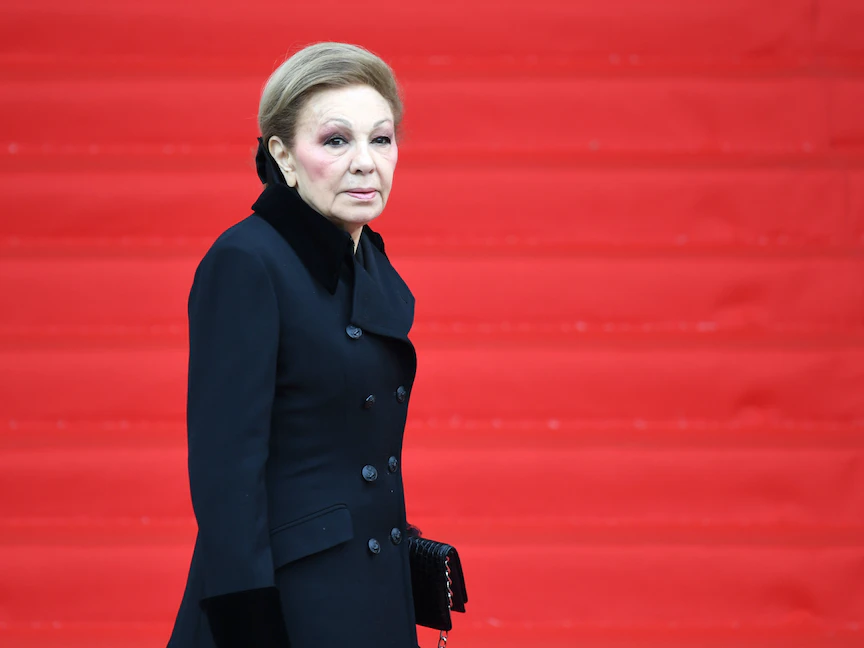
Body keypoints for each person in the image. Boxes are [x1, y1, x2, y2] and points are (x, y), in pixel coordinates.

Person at [166, 42, 421, 648]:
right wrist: (250, 629)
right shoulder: (247, 261)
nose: (366, 163)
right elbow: (226, 474)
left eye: (380, 139)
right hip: (285, 605)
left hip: (368, 594)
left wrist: (406, 556)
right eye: (336, 140)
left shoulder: (365, 259)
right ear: (282, 155)